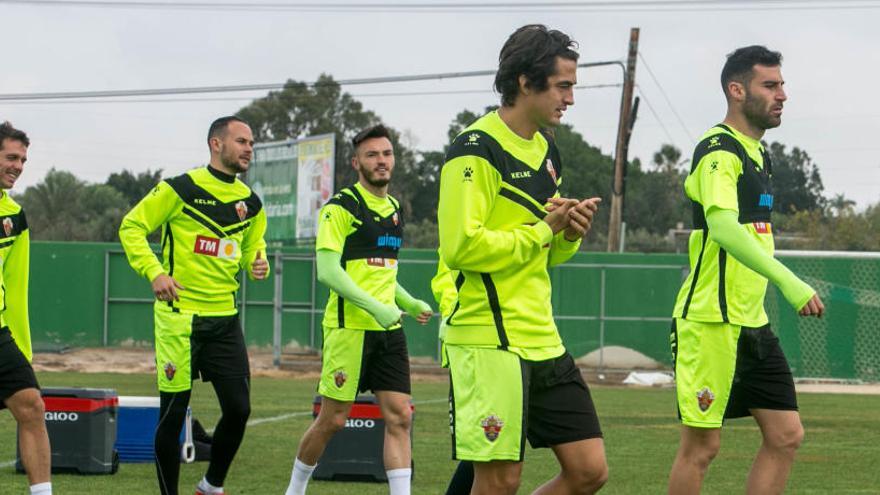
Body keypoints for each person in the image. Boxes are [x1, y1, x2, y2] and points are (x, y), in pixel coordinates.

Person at [437, 24, 607, 495]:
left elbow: (546, 253)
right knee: (499, 482)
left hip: (542, 337)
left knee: (589, 470)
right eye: (563, 86)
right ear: (526, 83)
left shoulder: (547, 150)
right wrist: (542, 230)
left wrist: (569, 232)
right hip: (488, 340)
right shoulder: (475, 150)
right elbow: (461, 247)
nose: (570, 98)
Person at [667, 46, 825, 495]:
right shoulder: (718, 151)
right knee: (701, 448)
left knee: (786, 435)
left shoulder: (759, 155)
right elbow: (721, 228)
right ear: (737, 91)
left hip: (751, 323)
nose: (782, 95)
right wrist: (790, 282)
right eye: (770, 85)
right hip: (709, 323)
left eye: (782, 85)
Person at [119, 116, 269, 495]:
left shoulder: (251, 203)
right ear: (215, 144)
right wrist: (155, 272)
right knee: (172, 416)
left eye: (251, 142)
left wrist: (258, 261)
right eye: (241, 141)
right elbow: (131, 226)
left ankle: (210, 486)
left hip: (225, 319)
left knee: (239, 410)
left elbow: (252, 247)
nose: (249, 148)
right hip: (179, 320)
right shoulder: (179, 188)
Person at [285, 124, 433, 495]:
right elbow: (329, 272)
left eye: (386, 154)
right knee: (332, 420)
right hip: (348, 329)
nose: (381, 161)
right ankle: (295, 490)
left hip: (389, 332)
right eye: (372, 155)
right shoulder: (340, 208)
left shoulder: (396, 209)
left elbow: (383, 273)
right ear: (356, 163)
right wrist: (376, 309)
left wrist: (407, 302)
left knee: (399, 416)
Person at [0, 122, 52, 495]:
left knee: (32, 405)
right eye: (11, 157)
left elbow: (16, 287)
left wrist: (22, 347)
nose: (18, 165)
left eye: (22, 160)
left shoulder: (14, 216)